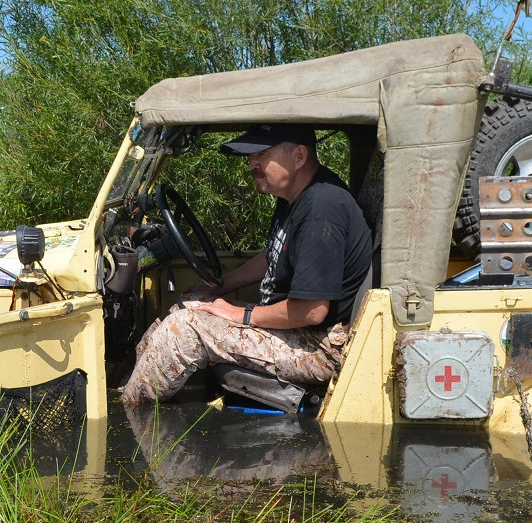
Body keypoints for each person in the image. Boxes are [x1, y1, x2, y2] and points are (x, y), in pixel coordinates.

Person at [120, 123, 373, 405]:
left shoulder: (322, 210)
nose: (252, 164)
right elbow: (274, 255)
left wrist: (243, 314)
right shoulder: (296, 194)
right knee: (190, 303)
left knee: (188, 328)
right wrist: (219, 287)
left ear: (299, 156)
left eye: (261, 155)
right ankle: (127, 388)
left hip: (320, 345)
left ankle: (130, 415)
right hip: (299, 331)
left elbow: (311, 311)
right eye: (251, 157)